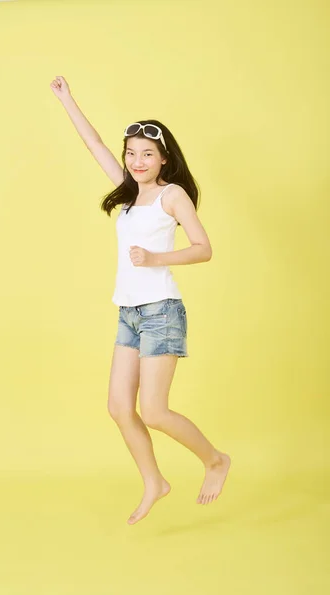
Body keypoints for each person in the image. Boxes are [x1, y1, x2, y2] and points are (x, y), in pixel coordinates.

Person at [50, 76, 231, 525]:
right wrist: (66, 98)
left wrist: (155, 257)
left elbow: (203, 247)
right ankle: (155, 482)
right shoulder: (129, 193)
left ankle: (215, 460)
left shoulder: (172, 195)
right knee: (118, 408)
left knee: (153, 410)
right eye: (131, 153)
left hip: (161, 313)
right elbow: (93, 144)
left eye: (146, 153)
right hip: (129, 313)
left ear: (164, 158)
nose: (136, 161)